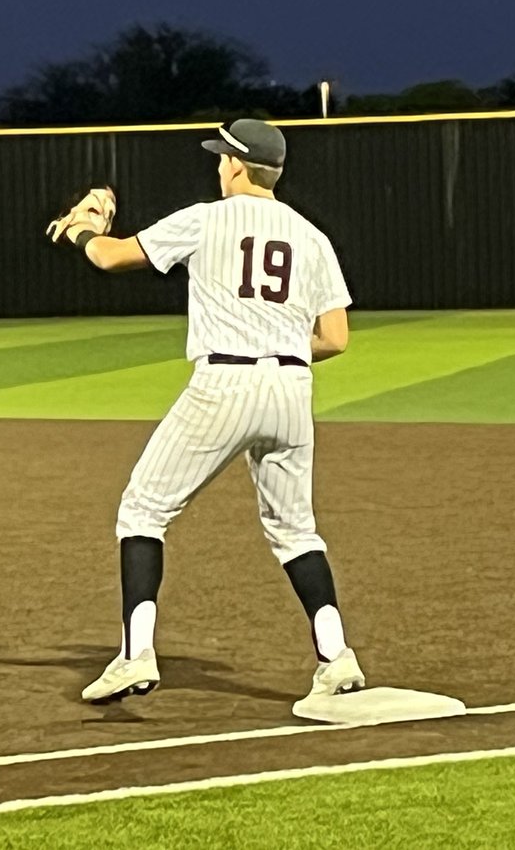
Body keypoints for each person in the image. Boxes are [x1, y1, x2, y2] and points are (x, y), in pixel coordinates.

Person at [46, 119, 364, 705]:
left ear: (237, 165)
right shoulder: (312, 235)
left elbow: (113, 259)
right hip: (293, 389)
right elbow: (336, 337)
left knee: (143, 510)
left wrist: (82, 231)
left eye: (222, 158)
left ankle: (135, 655)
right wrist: (283, 344)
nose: (218, 165)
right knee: (296, 531)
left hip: (225, 382)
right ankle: (336, 656)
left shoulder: (206, 218)